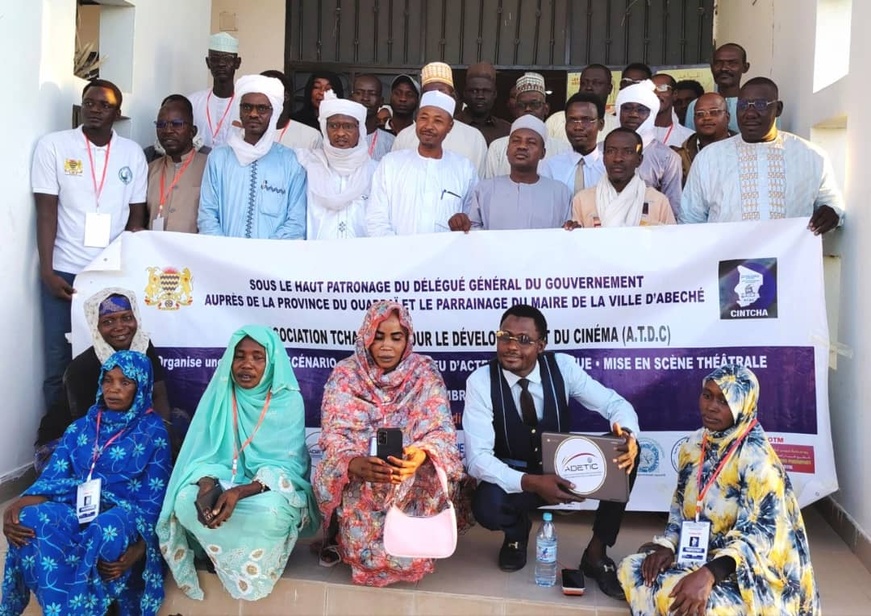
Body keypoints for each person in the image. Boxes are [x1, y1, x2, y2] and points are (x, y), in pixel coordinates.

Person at [463, 305, 639, 599]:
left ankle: (596, 553)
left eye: (524, 340)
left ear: (541, 345)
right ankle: (516, 534)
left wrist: (630, 435)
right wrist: (531, 482)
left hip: (565, 472)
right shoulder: (481, 381)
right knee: (486, 504)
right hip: (519, 478)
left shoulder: (563, 368)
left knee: (626, 453)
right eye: (504, 336)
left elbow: (615, 405)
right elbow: (478, 459)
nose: (511, 346)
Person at [618, 365, 820, 615]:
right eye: (707, 395)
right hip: (702, 557)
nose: (711, 406)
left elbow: (760, 540)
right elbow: (680, 506)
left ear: (742, 406)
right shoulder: (694, 445)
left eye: (724, 400)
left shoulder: (759, 462)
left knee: (703, 607)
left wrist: (709, 574)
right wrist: (668, 546)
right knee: (633, 570)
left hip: (752, 574)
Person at [2, 351, 171, 615]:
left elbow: (155, 497)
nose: (113, 389)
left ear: (141, 387)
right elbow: (54, 475)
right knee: (32, 519)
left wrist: (141, 548)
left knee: (104, 529)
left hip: (124, 514)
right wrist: (21, 504)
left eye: (125, 383)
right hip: (76, 503)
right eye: (108, 380)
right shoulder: (81, 427)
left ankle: (80, 607)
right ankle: (63, 609)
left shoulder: (153, 431)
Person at [157, 326, 319, 601]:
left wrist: (239, 492)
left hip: (267, 491)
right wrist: (208, 484)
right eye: (240, 355)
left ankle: (249, 563)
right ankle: (218, 555)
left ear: (272, 362)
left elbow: (288, 469)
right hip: (227, 479)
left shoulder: (287, 399)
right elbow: (204, 453)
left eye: (258, 357)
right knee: (185, 499)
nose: (247, 364)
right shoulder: (221, 393)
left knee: (270, 514)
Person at [313, 301, 466, 586]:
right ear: (365, 337)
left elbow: (440, 431)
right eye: (378, 336)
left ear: (408, 339)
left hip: (411, 480)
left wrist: (419, 455)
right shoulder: (346, 374)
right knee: (334, 476)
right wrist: (354, 464)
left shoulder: (424, 372)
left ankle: (418, 539)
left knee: (409, 548)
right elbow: (333, 436)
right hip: (362, 478)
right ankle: (340, 536)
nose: (386, 346)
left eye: (396, 338)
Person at [32, 79, 148, 420]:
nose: (95, 110)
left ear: (117, 112)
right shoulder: (54, 146)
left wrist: (125, 270)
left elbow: (136, 219)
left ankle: (102, 431)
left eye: (104, 105)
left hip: (110, 274)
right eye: (89, 103)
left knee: (112, 358)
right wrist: (47, 271)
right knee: (58, 360)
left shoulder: (131, 153)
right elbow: (46, 211)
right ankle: (55, 437)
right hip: (65, 272)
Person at [681, 77, 844, 234]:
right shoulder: (709, 158)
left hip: (789, 260)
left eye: (760, 104)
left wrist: (832, 214)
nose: (750, 113)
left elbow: (833, 204)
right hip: (726, 259)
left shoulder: (811, 156)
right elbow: (689, 219)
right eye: (743, 105)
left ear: (778, 108)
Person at [35, 288, 172, 472]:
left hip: (129, 427)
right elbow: (87, 429)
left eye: (126, 317)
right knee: (80, 475)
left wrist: (158, 436)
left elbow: (159, 395)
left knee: (176, 426)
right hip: (74, 436)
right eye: (108, 321)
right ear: (95, 326)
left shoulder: (143, 348)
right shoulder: (81, 369)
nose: (120, 327)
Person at [198, 74, 308, 239]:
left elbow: (296, 222)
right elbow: (207, 214)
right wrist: (223, 252)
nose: (254, 114)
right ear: (239, 111)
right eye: (247, 107)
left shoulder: (290, 161)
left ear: (274, 112)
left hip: (270, 260)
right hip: (224, 258)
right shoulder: (219, 158)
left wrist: (262, 255)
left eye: (262, 108)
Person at [367, 90, 478, 236]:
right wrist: (401, 253)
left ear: (450, 126)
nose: (428, 126)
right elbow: (376, 219)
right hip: (397, 255)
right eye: (424, 118)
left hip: (447, 257)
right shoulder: (391, 164)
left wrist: (464, 223)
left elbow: (474, 222)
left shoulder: (464, 168)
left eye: (438, 121)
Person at [449, 116, 571, 231]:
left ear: (543, 153)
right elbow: (472, 232)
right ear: (507, 150)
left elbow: (566, 235)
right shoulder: (484, 190)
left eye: (531, 142)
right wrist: (461, 224)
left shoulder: (560, 192)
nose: (522, 146)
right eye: (516, 141)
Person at [296, 91, 376, 239]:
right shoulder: (307, 164)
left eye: (348, 127)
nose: (340, 133)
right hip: (317, 255)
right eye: (333, 126)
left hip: (362, 255)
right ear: (325, 130)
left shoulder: (375, 171)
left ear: (360, 130)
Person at [391, 62, 488, 177]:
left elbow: (477, 186)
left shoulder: (474, 138)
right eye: (429, 92)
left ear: (453, 96)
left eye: (441, 91)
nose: (435, 97)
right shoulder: (405, 136)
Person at [566, 128, 675, 228]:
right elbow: (576, 246)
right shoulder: (582, 200)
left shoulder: (658, 201)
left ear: (639, 160)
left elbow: (669, 243)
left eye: (627, 152)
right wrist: (572, 232)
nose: (618, 158)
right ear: (603, 158)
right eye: (611, 151)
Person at [616, 79, 683, 219]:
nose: (633, 114)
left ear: (651, 115)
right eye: (627, 108)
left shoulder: (667, 157)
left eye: (641, 110)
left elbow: (672, 210)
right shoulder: (600, 151)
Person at [484, 72, 569, 178]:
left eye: (535, 104)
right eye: (521, 105)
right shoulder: (497, 148)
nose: (528, 109)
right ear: (515, 110)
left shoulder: (563, 149)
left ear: (546, 109)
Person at [146, 95, 208, 232]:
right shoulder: (149, 170)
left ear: (193, 131)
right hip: (154, 250)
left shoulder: (209, 167)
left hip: (194, 251)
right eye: (161, 125)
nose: (168, 131)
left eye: (177, 124)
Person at [540, 92, 607, 195]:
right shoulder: (551, 167)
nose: (578, 127)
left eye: (586, 120)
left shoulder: (608, 167)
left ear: (601, 124)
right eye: (572, 120)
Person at [188, 33, 242, 149]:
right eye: (215, 59)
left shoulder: (245, 104)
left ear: (237, 63)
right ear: (208, 63)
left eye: (227, 59)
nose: (221, 64)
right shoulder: (193, 102)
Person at [683, 43, 751, 133]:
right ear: (711, 68)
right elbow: (691, 141)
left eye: (732, 63)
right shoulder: (696, 105)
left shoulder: (755, 105)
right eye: (718, 63)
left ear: (745, 67)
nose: (724, 68)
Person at [546, 63, 619, 146]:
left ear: (609, 89)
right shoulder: (556, 120)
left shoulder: (616, 124)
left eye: (596, 83)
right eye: (584, 83)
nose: (589, 87)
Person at [674, 92, 734, 185]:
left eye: (714, 112)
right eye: (700, 114)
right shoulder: (680, 157)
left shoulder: (744, 149)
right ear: (694, 119)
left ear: (728, 117)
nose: (706, 118)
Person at [260, 70, 323, 151]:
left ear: (285, 96)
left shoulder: (311, 135)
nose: (262, 97)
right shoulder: (245, 133)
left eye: (269, 91)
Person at [456, 61, 512, 145]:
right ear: (465, 93)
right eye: (474, 91)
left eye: (486, 91)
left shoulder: (506, 130)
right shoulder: (452, 126)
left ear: (495, 94)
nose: (480, 96)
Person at [350, 74, 396, 161]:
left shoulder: (391, 142)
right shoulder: (338, 138)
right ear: (351, 99)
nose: (365, 98)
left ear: (381, 101)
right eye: (359, 93)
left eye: (372, 94)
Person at [651, 73, 695, 148]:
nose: (656, 94)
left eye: (662, 88)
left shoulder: (689, 137)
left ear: (674, 94)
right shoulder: (636, 132)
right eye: (651, 89)